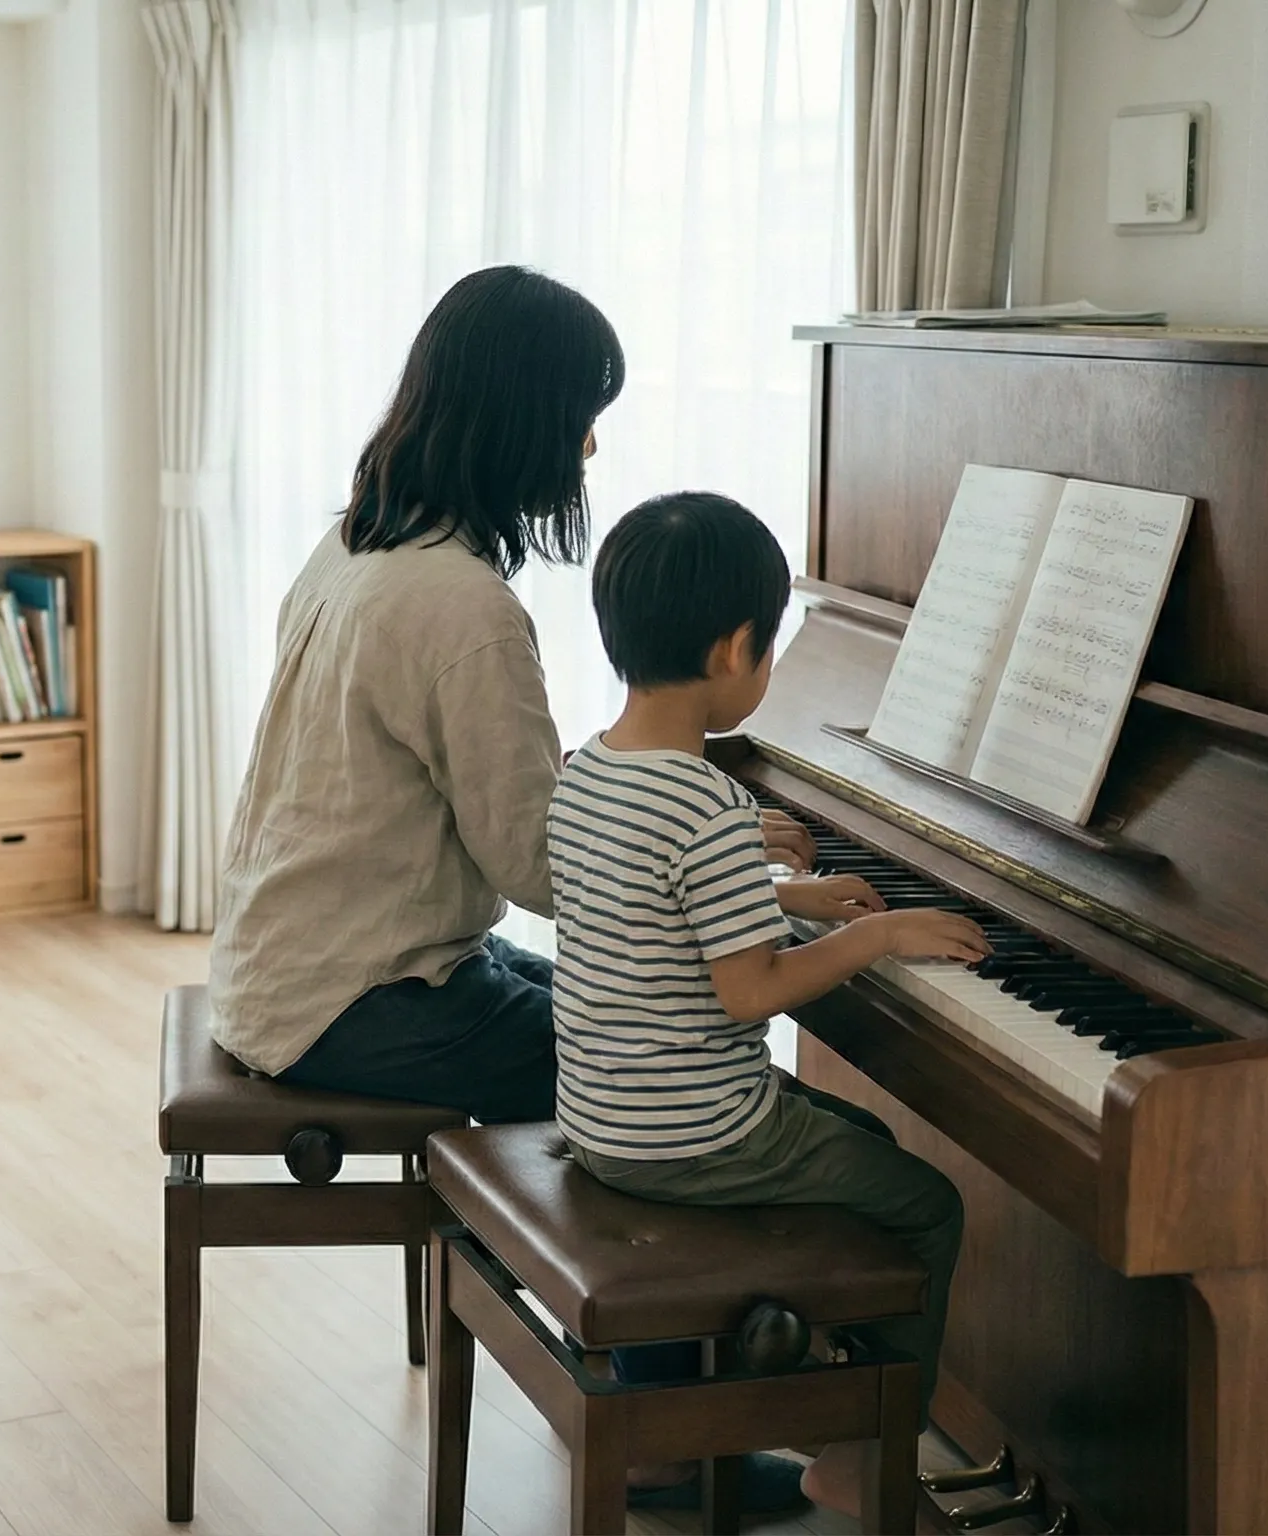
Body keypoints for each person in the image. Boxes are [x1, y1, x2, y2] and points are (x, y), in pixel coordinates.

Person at [205, 267, 819, 1127]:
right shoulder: (463, 607)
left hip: (288, 965)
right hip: (357, 1002)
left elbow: (500, 805)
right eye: (582, 418)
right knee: (678, 1071)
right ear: (523, 422)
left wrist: (689, 836)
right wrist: (722, 853)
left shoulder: (355, 541)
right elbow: (541, 869)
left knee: (635, 1014)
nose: (590, 448)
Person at [547, 491, 985, 1519]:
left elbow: (647, 906)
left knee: (865, 1132)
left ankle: (811, 1394)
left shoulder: (587, 773)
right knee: (928, 1205)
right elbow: (749, 993)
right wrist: (871, 933)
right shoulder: (708, 803)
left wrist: (783, 898)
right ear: (737, 646)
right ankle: (857, 1456)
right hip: (698, 1139)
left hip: (601, 1122)